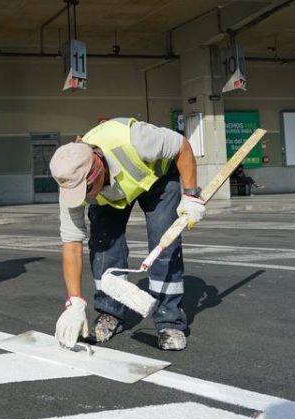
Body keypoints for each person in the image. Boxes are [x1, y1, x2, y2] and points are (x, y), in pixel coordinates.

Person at [49, 117, 203, 352]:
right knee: (103, 245)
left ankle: (169, 321)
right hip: (112, 195)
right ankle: (111, 312)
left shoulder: (136, 140)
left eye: (86, 191)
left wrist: (191, 195)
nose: (83, 199)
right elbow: (71, 242)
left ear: (97, 169)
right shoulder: (70, 179)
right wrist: (74, 302)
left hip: (158, 180)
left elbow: (181, 145)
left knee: (164, 243)